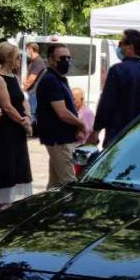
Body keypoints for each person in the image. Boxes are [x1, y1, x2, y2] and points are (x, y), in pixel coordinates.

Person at [93, 29, 140, 146]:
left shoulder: (117, 71)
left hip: (119, 138)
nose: (119, 47)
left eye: (120, 44)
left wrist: (96, 130)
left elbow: (106, 104)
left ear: (130, 47)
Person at [0, 42, 33, 208]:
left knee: (19, 165)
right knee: (6, 166)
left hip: (18, 128)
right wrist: (23, 121)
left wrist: (28, 116)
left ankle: (15, 204)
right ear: (8, 58)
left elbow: (22, 100)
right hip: (6, 129)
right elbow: (7, 106)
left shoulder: (14, 77)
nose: (19, 60)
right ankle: (4, 203)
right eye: (17, 57)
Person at [36, 42, 86, 188]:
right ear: (51, 60)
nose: (67, 61)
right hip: (59, 139)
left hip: (61, 138)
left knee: (55, 184)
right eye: (62, 58)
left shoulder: (58, 79)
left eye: (69, 58)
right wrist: (81, 124)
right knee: (68, 183)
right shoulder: (51, 80)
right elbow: (62, 112)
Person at [22, 42, 46, 127]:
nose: (26, 51)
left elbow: (31, 79)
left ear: (31, 49)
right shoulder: (32, 61)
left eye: (27, 49)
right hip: (32, 91)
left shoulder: (38, 61)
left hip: (34, 91)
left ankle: (29, 129)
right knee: (32, 112)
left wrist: (24, 88)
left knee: (31, 112)